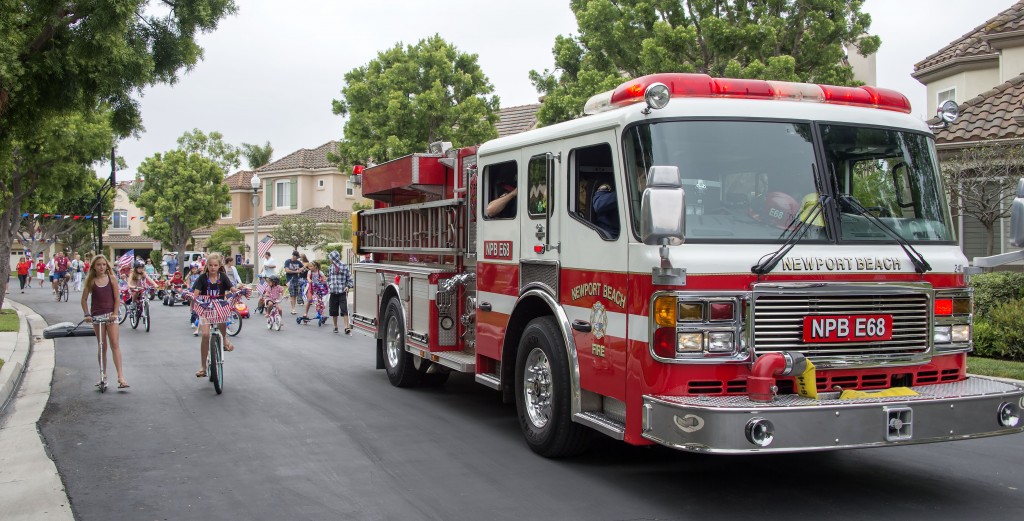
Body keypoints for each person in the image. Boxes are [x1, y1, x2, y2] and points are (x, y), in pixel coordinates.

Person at [81, 255, 128, 389]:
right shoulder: (91, 281)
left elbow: (117, 299)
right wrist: (87, 314)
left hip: (110, 316)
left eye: (103, 264)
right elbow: (84, 299)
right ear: (94, 267)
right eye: (98, 265)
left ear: (107, 266)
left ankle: (120, 377)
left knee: (114, 343)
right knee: (102, 345)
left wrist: (114, 313)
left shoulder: (112, 279)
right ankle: (103, 375)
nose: (101, 267)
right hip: (97, 316)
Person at [191, 252, 236, 378]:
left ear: (219, 266)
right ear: (207, 265)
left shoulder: (223, 277)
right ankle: (203, 367)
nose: (213, 268)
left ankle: (225, 339)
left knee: (222, 317)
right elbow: (195, 294)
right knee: (205, 334)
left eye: (215, 265)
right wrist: (192, 299)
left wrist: (238, 291)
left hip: (219, 306)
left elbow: (232, 289)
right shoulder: (202, 278)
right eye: (210, 265)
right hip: (205, 307)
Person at [326, 250, 354, 334]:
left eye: (331, 258)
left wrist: (348, 286)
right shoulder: (330, 267)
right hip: (333, 291)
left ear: (334, 258)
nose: (330, 260)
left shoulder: (344, 266)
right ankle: (335, 326)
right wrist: (329, 285)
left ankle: (346, 327)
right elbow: (328, 278)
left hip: (342, 291)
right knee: (334, 310)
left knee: (344, 310)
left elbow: (350, 278)